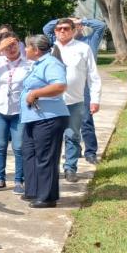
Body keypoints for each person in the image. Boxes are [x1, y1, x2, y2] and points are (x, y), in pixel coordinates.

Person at [44, 17, 105, 165]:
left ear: (74, 29)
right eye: (60, 29)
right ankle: (52, 166)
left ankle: (77, 162)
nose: (63, 31)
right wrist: (65, 19)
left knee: (78, 128)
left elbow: (101, 26)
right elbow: (47, 28)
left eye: (67, 28)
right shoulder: (51, 47)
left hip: (78, 93)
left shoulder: (87, 44)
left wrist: (81, 21)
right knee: (52, 135)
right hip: (53, 98)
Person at [0, 30, 33, 193]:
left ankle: (19, 181)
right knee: (0, 146)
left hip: (20, 110)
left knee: (18, 146)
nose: (11, 48)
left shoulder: (28, 62)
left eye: (14, 44)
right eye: (7, 46)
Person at [20, 35, 69, 208]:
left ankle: (47, 197)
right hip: (33, 117)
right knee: (29, 153)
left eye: (27, 47)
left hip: (49, 117)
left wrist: (35, 93)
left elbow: (60, 85)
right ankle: (33, 190)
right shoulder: (38, 64)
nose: (24, 50)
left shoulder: (51, 63)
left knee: (45, 157)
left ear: (36, 49)